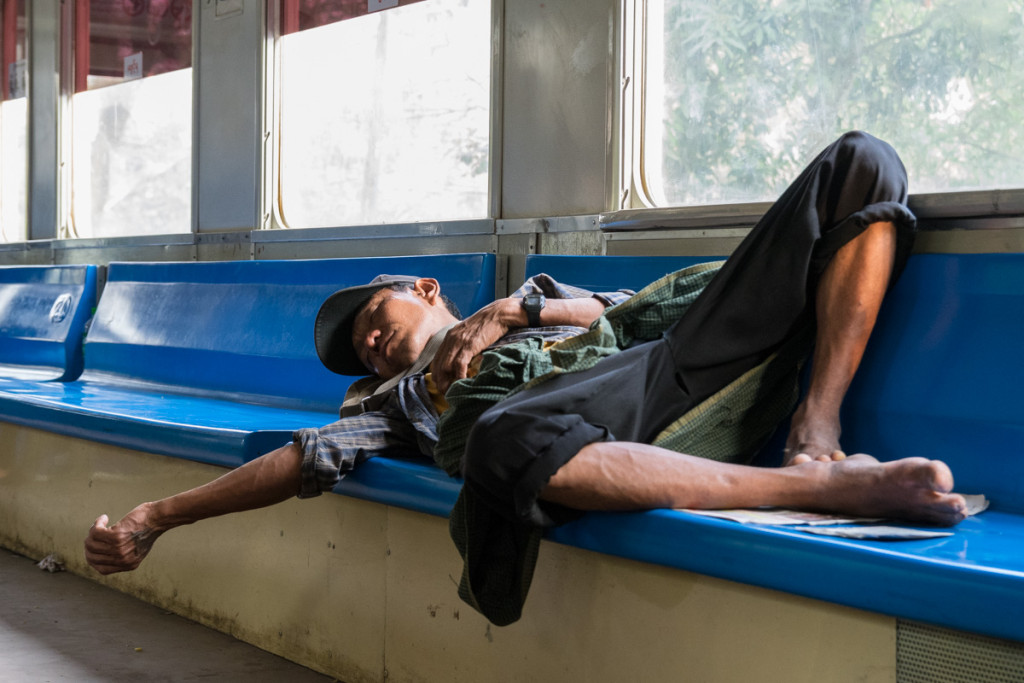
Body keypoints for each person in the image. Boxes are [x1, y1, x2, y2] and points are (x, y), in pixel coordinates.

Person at [84, 132, 967, 625]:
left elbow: (636, 308)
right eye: (364, 355)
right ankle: (805, 492)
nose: (376, 349)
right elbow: (304, 457)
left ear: (425, 291)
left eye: (377, 326)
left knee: (862, 162)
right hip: (566, 429)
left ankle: (818, 437)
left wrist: (516, 310)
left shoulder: (531, 298)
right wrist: (157, 516)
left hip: (660, 357)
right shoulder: (402, 401)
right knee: (494, 441)